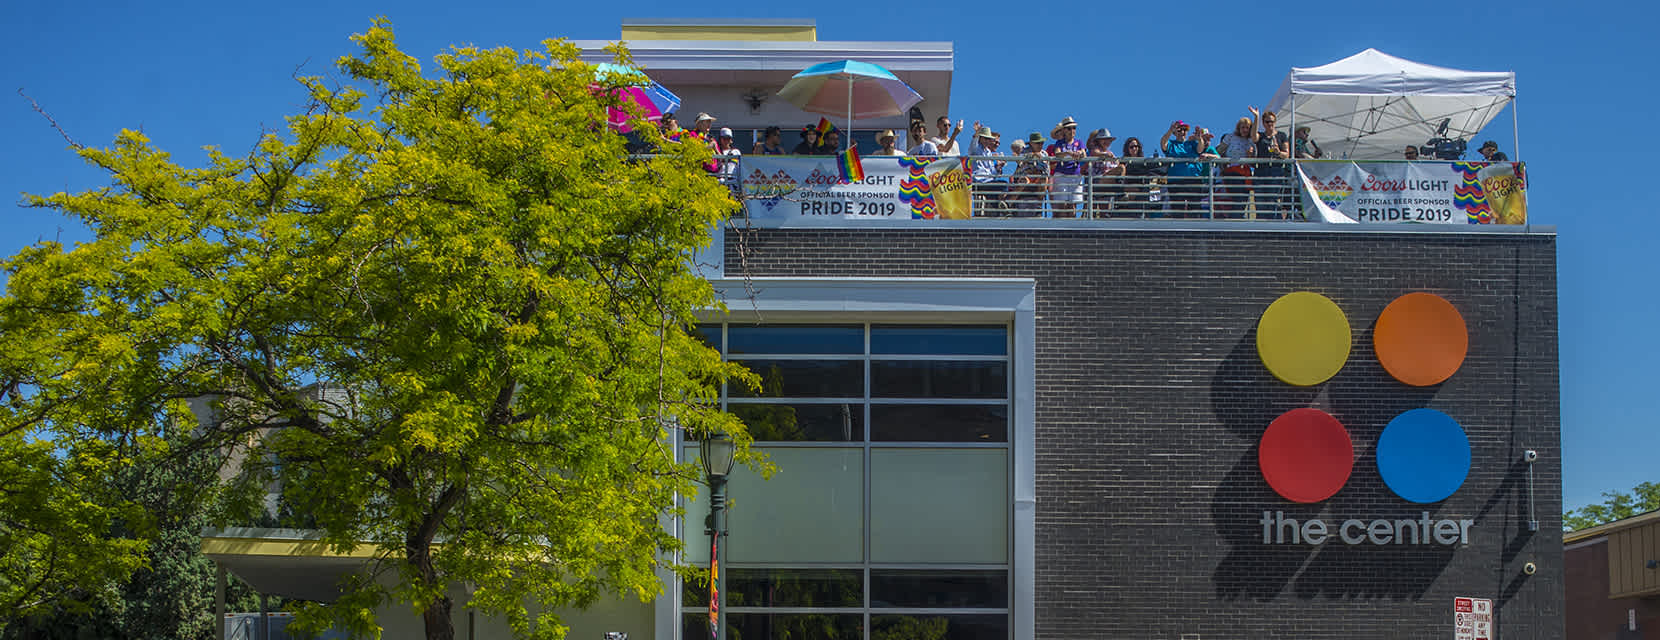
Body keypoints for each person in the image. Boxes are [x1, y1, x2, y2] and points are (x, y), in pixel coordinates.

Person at [1160, 120, 1217, 216]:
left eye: (1184, 130)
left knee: (1194, 209)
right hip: (1176, 181)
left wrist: (1199, 139)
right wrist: (1170, 130)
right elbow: (1163, 144)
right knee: (1177, 210)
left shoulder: (1192, 143)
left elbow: (1200, 149)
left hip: (1193, 179)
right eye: (1179, 130)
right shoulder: (1171, 143)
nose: (1182, 132)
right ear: (1175, 132)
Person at [1215, 109, 1261, 217]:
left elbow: (1254, 160)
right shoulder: (1230, 137)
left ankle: (1238, 218)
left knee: (1243, 199)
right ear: (1238, 128)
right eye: (1242, 127)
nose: (1245, 130)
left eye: (1247, 128)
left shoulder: (1251, 141)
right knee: (1237, 198)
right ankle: (1235, 219)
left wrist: (1250, 155)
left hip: (1245, 172)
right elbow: (1219, 150)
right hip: (1232, 171)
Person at [1253, 109, 1292, 219]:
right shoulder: (1260, 136)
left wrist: (1278, 152)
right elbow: (1253, 137)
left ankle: (1274, 224)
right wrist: (1256, 117)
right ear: (1263, 123)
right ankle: (1261, 225)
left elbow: (1286, 154)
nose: (1270, 124)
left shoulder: (1281, 135)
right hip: (1261, 170)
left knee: (1272, 199)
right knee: (1260, 199)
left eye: (1272, 121)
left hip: (1276, 171)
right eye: (1267, 122)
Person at [1045, 117, 1086, 218]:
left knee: (1072, 205)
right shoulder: (1059, 143)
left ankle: (1071, 229)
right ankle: (1062, 228)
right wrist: (1068, 153)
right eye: (1069, 128)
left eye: (1074, 128)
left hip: (1075, 175)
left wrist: (1079, 153)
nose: (1072, 130)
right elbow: (1058, 154)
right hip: (1061, 175)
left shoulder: (1079, 142)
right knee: (1062, 204)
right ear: (1064, 130)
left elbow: (1084, 154)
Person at [1118, 137, 1161, 218]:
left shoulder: (1143, 161)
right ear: (1127, 149)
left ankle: (1154, 206)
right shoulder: (1124, 161)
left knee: (1153, 182)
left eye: (1136, 146)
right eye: (1131, 147)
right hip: (1127, 185)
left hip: (1140, 185)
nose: (1134, 149)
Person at [969, 125, 1007, 216]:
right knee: (1003, 185)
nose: (987, 141)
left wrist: (998, 167)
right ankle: (1004, 209)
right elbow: (973, 144)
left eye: (988, 139)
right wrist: (976, 133)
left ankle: (999, 212)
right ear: (980, 138)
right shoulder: (976, 149)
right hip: (978, 180)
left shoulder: (988, 152)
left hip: (987, 181)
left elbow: (991, 172)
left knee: (996, 192)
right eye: (985, 138)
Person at [1084, 128, 1121, 218]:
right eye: (1104, 139)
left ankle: (1120, 188)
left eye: (1108, 140)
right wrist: (1104, 155)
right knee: (1091, 210)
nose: (1106, 142)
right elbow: (1094, 153)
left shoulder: (1111, 153)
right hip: (1096, 182)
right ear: (1099, 141)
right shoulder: (1096, 150)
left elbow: (1117, 164)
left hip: (1106, 185)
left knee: (1104, 212)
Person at [1011, 132, 1050, 217]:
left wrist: (1037, 170)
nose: (1040, 145)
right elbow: (1020, 163)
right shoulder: (1024, 151)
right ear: (1031, 143)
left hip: (1038, 179)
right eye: (1038, 143)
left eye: (1042, 143)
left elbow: (1047, 171)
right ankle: (1008, 203)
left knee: (1044, 179)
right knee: (1024, 179)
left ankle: (1038, 208)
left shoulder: (1045, 154)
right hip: (1025, 177)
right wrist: (1032, 156)